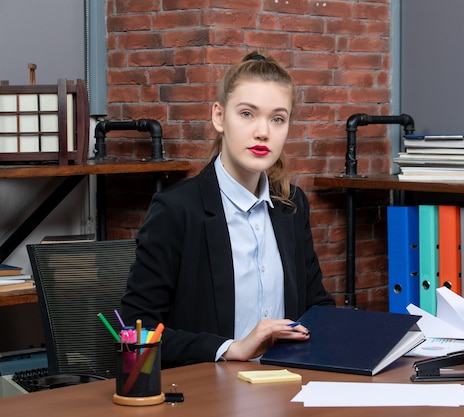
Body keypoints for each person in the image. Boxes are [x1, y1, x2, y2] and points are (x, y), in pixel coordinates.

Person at [120, 51, 335, 368]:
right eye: (247, 114)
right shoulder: (177, 209)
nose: (263, 131)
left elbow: (317, 305)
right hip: (208, 393)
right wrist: (231, 348)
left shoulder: (292, 205)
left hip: (286, 386)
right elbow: (135, 333)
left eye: (277, 118)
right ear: (219, 117)